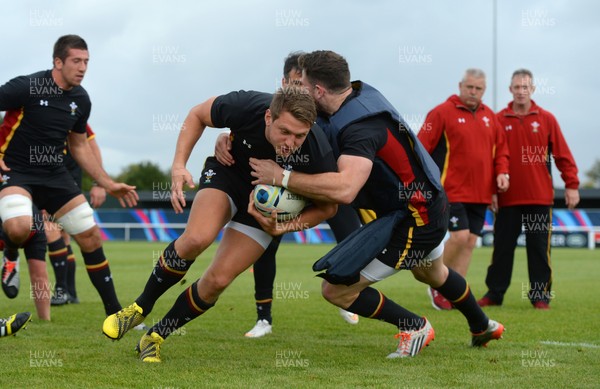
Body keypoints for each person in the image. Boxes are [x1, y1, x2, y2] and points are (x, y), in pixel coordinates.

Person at [250, 50, 505, 358]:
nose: (297, 89)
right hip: (426, 203)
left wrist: (283, 178)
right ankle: (482, 325)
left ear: (319, 90)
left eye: (302, 83)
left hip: (416, 217)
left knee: (336, 290)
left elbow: (345, 189)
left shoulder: (359, 128)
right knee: (432, 274)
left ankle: (414, 325)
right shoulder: (356, 94)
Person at [102, 86, 338, 363]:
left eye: (300, 135)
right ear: (267, 117)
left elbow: (329, 207)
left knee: (218, 281)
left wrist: (283, 228)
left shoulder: (317, 149)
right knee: (196, 239)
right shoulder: (245, 105)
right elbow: (197, 114)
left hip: (262, 210)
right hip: (228, 175)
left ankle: (154, 337)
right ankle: (139, 308)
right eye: (284, 131)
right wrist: (179, 165)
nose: (290, 142)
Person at [214, 52, 361, 338]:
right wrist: (225, 138)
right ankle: (263, 319)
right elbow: (246, 130)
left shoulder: (330, 112)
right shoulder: (274, 112)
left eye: (304, 86)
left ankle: (345, 293)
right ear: (283, 83)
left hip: (324, 185)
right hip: (282, 187)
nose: (300, 92)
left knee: (352, 241)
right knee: (266, 245)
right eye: (294, 84)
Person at [0, 34, 138, 316]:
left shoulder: (81, 99)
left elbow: (79, 145)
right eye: (76, 61)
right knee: (19, 227)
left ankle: (116, 315)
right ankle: (11, 254)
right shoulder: (26, 86)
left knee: (90, 235)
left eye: (87, 61)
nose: (83, 67)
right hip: (16, 171)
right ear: (58, 61)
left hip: (54, 174)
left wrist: (107, 183)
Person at [478, 69, 580, 310]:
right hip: (506, 198)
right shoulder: (498, 119)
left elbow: (563, 155)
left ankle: (540, 296)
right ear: (510, 89)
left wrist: (572, 185)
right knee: (502, 248)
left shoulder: (546, 118)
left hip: (539, 197)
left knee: (538, 249)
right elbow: (488, 159)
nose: (521, 91)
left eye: (526, 87)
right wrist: (491, 190)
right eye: (517, 87)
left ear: (532, 89)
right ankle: (495, 293)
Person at [417, 68, 510, 310]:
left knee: (469, 241)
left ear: (484, 90)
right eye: (469, 87)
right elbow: (421, 148)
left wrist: (502, 173)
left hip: (480, 194)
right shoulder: (440, 113)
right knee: (458, 237)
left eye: (478, 89)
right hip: (450, 190)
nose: (473, 92)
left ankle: (454, 291)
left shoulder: (491, 117)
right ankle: (435, 282)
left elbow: (501, 151)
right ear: (460, 85)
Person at [48, 124, 107, 306]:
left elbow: (92, 146)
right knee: (61, 233)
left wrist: (99, 182)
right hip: (46, 175)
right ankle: (69, 292)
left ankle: (62, 289)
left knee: (51, 227)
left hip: (65, 177)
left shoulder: (72, 108)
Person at [1, 209, 51, 321]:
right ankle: (11, 254)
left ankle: (45, 319)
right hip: (6, 225)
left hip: (33, 225)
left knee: (39, 272)